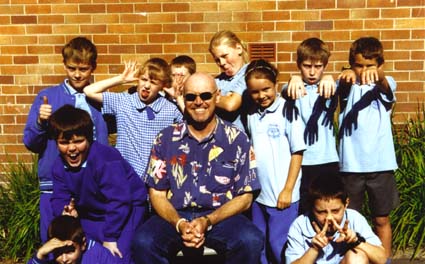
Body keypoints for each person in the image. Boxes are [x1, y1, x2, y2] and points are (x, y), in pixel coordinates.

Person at [131, 72, 264, 264]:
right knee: (143, 242)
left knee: (250, 240)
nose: (198, 102)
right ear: (183, 99)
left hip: (222, 216)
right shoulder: (166, 138)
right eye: (191, 97)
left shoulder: (237, 139)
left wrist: (208, 221)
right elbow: (157, 194)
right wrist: (179, 223)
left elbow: (245, 197)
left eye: (206, 95)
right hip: (174, 214)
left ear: (217, 96)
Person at [23, 37, 109, 243]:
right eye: (71, 68)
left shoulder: (101, 99)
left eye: (84, 69)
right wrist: (40, 122)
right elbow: (31, 143)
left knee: (89, 242)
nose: (77, 75)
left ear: (93, 67)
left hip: (92, 184)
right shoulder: (48, 97)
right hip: (55, 184)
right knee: (55, 241)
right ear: (64, 65)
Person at [49, 105, 146, 264]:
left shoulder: (105, 159)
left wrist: (110, 237)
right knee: (83, 251)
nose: (72, 148)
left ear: (89, 139)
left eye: (79, 141)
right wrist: (65, 210)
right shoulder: (59, 166)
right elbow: (60, 196)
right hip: (91, 213)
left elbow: (120, 200)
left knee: (116, 256)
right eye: (64, 143)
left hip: (127, 210)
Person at [337, 36, 399, 261]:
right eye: (359, 65)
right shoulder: (346, 85)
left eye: (370, 66)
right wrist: (347, 77)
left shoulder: (386, 82)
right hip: (351, 167)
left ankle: (385, 259)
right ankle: (353, 259)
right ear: (351, 64)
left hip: (380, 166)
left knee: (381, 219)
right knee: (350, 219)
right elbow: (341, 87)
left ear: (380, 65)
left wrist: (378, 75)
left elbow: (386, 85)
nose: (364, 71)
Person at [245, 59, 306, 264]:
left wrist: (288, 189)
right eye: (255, 91)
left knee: (279, 244)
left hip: (282, 195)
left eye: (266, 89)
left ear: (276, 85)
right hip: (259, 195)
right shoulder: (252, 114)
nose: (261, 96)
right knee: (260, 244)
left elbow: (297, 153)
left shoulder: (288, 111)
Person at [83, 58, 183, 179]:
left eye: (153, 82)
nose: (146, 85)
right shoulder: (124, 101)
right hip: (125, 175)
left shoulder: (170, 108)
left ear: (162, 86)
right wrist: (121, 79)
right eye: (144, 79)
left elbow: (193, 124)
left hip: (156, 177)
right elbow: (89, 91)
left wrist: (178, 99)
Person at [281, 38, 339, 214]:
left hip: (327, 159)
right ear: (299, 64)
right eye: (307, 66)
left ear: (325, 65)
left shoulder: (330, 86)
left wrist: (329, 77)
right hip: (302, 162)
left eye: (318, 67)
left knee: (328, 207)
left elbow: (341, 86)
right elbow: (285, 91)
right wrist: (294, 78)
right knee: (305, 209)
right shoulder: (292, 87)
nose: (312, 72)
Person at [285, 174, 387, 264]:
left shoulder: (355, 218)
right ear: (311, 207)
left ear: (346, 204)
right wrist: (314, 249)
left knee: (357, 257)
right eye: (321, 212)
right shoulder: (299, 225)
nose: (329, 218)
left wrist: (356, 241)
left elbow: (382, 259)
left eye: (335, 211)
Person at [27, 215, 116, 264]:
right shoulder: (51, 256)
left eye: (69, 252)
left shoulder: (98, 255)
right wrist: (40, 255)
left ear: (83, 244)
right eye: (59, 252)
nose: (64, 259)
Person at [208, 30, 249, 131]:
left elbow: (231, 104)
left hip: (242, 139)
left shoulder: (250, 73)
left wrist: (208, 97)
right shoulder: (218, 80)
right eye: (217, 59)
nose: (221, 63)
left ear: (239, 48)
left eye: (224, 56)